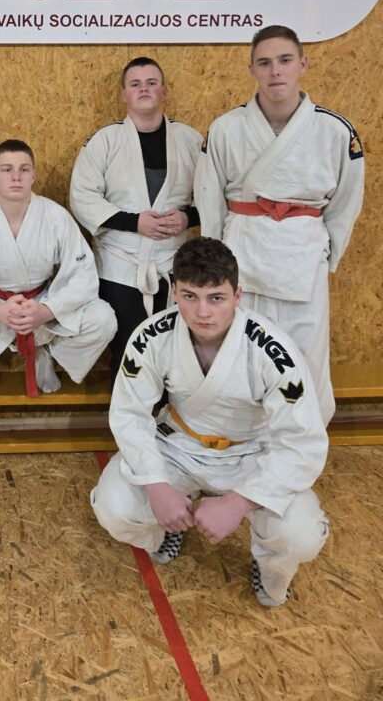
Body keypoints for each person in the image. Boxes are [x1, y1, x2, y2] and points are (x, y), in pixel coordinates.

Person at [91, 237, 329, 607]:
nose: (203, 312)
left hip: (252, 452)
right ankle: (164, 530)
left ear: (237, 295)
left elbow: (302, 442)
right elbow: (129, 414)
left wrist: (238, 504)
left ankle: (270, 566)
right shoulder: (152, 336)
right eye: (190, 296)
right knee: (114, 506)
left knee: (302, 534)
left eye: (216, 297)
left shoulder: (272, 351)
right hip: (180, 445)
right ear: (174, 292)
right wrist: (157, 486)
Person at [194, 25, 364, 424]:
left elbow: (346, 202)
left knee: (306, 354)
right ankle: (243, 435)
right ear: (252, 69)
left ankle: (305, 437)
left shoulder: (334, 130)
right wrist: (217, 262)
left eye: (285, 60)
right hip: (243, 251)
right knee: (244, 350)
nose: (275, 71)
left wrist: (326, 252)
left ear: (302, 64)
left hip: (303, 252)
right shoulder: (226, 128)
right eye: (265, 62)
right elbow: (208, 198)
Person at [0, 140, 117, 396]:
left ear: (33, 175)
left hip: (41, 307)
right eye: (7, 169)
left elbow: (82, 276)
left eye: (24, 169)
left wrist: (46, 310)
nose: (16, 177)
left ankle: (47, 352)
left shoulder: (56, 216)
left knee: (103, 319)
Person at [70, 57, 202, 385]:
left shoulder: (190, 140)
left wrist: (187, 217)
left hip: (174, 264)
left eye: (151, 82)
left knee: (175, 350)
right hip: (120, 266)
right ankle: (127, 416)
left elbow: (212, 195)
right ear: (124, 95)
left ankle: (169, 413)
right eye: (135, 84)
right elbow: (82, 197)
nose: (144, 89)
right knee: (128, 351)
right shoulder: (104, 141)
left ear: (164, 91)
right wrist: (134, 223)